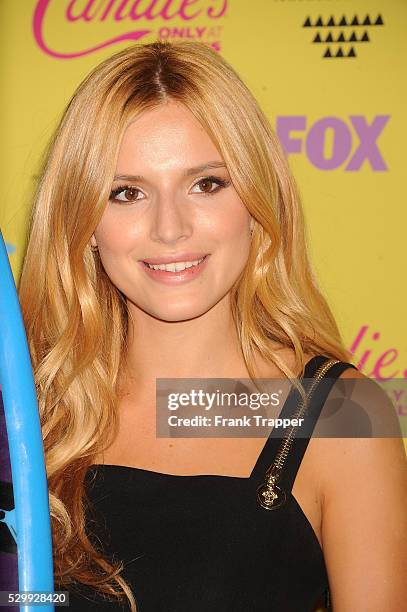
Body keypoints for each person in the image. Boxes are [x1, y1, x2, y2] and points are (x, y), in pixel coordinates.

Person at [17, 40, 406, 611]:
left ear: (255, 200)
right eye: (126, 193)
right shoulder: (30, 407)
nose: (170, 228)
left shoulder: (341, 418)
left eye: (206, 184)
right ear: (85, 222)